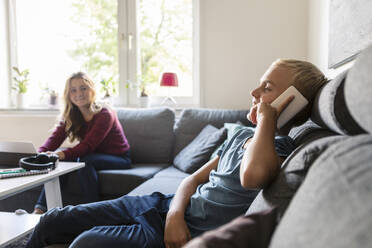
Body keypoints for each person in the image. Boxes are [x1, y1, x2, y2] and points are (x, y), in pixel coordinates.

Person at [26, 59, 328, 248]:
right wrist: (174, 213)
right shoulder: (241, 136)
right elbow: (193, 179)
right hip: (163, 207)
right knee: (55, 219)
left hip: (178, 231)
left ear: (293, 102)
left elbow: (252, 177)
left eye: (267, 88)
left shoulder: (277, 149)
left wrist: (267, 121)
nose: (254, 93)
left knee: (85, 243)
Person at [33, 72, 131, 214]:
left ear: (92, 89)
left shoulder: (105, 114)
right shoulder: (72, 115)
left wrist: (59, 154)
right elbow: (54, 139)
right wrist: (37, 154)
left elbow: (88, 146)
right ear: (68, 94)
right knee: (62, 158)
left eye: (83, 88)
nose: (79, 93)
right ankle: (40, 209)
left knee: (83, 160)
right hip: (92, 155)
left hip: (120, 158)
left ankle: (92, 212)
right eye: (73, 90)